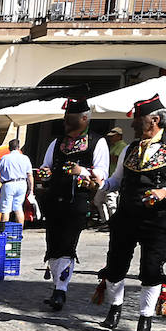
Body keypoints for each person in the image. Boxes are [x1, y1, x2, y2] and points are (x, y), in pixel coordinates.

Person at [95, 94, 166, 331]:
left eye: (137, 120)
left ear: (154, 120)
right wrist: (99, 184)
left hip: (157, 217)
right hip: (126, 215)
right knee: (116, 266)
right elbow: (116, 180)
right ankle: (115, 308)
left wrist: (165, 192)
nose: (132, 125)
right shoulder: (130, 148)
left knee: (151, 269)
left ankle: (145, 318)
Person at [38, 98, 109, 311]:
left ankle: (61, 290)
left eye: (70, 118)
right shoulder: (56, 142)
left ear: (84, 118)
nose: (66, 122)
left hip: (77, 200)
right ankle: (56, 287)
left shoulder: (98, 142)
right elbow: (46, 165)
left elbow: (102, 173)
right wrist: (44, 172)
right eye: (65, 118)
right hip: (54, 199)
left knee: (68, 245)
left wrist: (83, 171)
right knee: (53, 245)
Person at [0, 140, 34, 224]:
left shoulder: (5, 158)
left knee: (5, 209)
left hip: (9, 184)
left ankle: (3, 232)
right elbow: (30, 175)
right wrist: (31, 189)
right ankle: (19, 232)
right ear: (18, 147)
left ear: (9, 148)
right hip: (22, 183)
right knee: (18, 208)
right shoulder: (25, 158)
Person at [93, 127, 125, 224]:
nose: (111, 139)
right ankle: (106, 222)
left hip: (114, 178)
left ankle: (114, 223)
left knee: (111, 203)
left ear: (119, 136)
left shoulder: (122, 146)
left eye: (113, 136)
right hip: (106, 179)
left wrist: (106, 157)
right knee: (97, 200)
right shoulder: (112, 146)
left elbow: (117, 159)